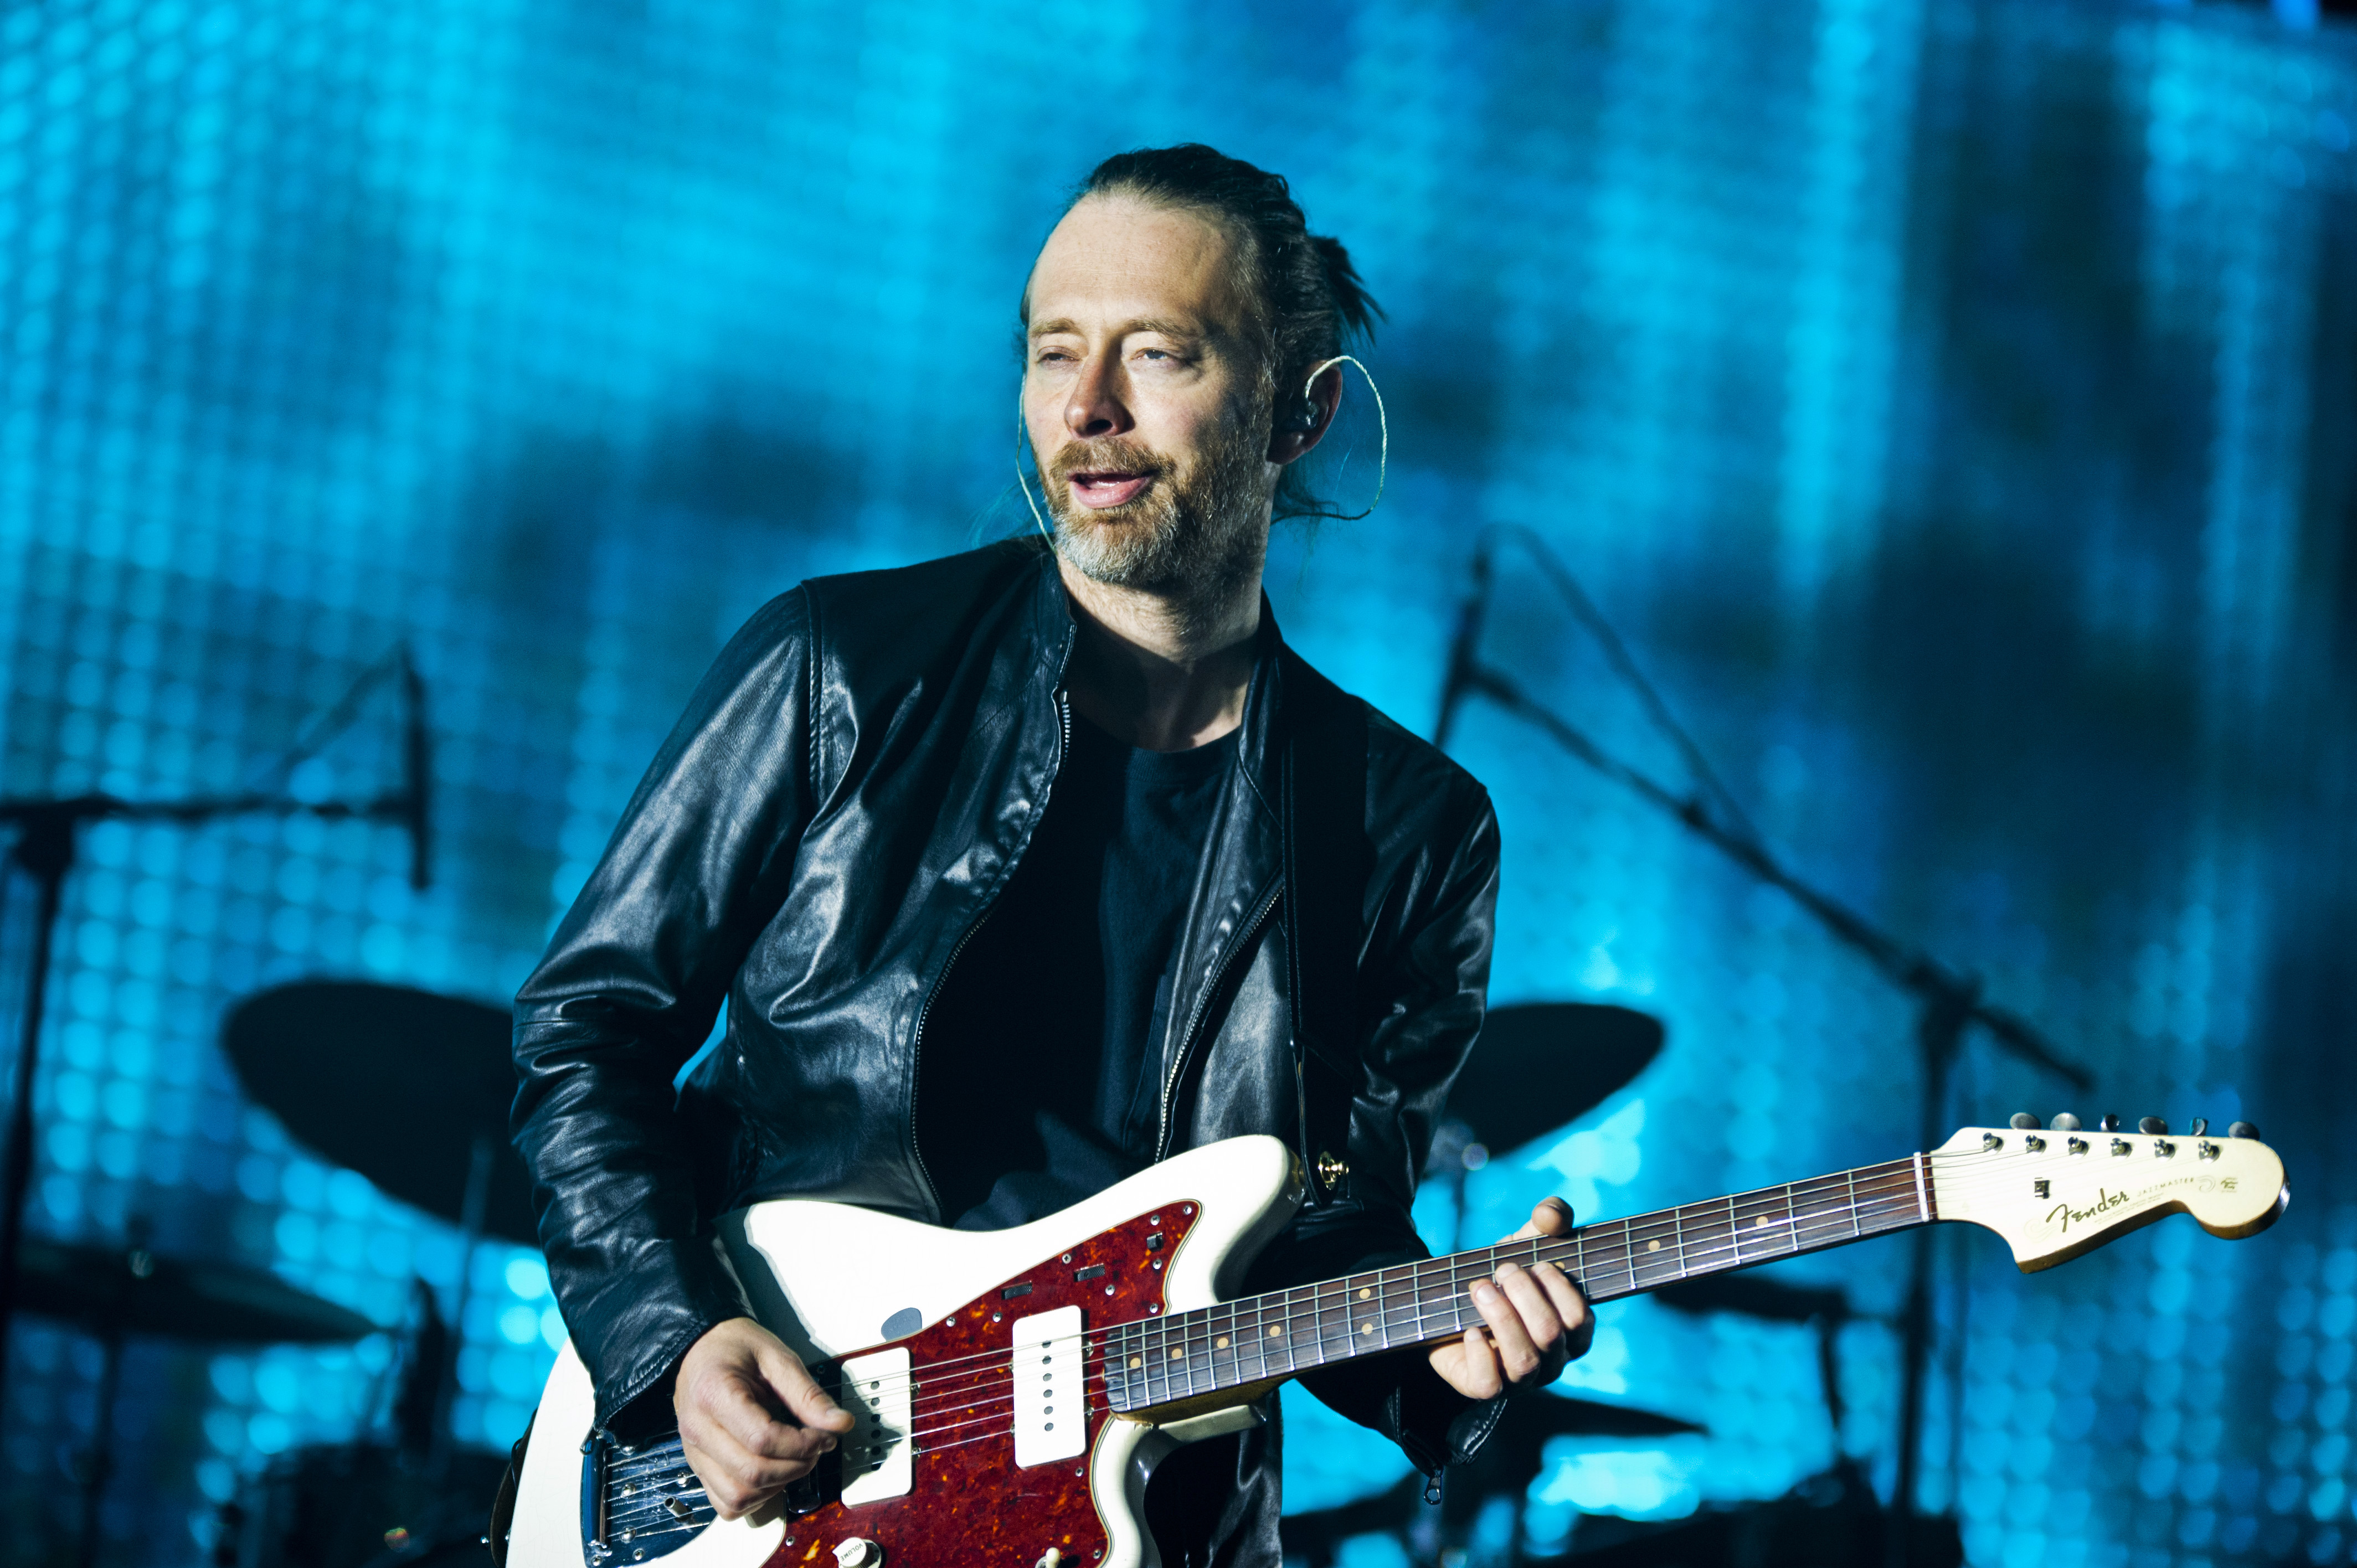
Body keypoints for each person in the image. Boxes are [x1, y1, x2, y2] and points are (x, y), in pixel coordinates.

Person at [510, 143, 1591, 1566]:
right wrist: (675, 1339)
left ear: (1299, 412)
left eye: (1157, 355)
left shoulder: (1409, 831)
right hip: (795, 1485)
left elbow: (1323, 1235)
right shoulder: (839, 668)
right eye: (1052, 352)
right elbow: (586, 1029)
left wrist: (1441, 1361)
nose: (1085, 412)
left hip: (1142, 1526)